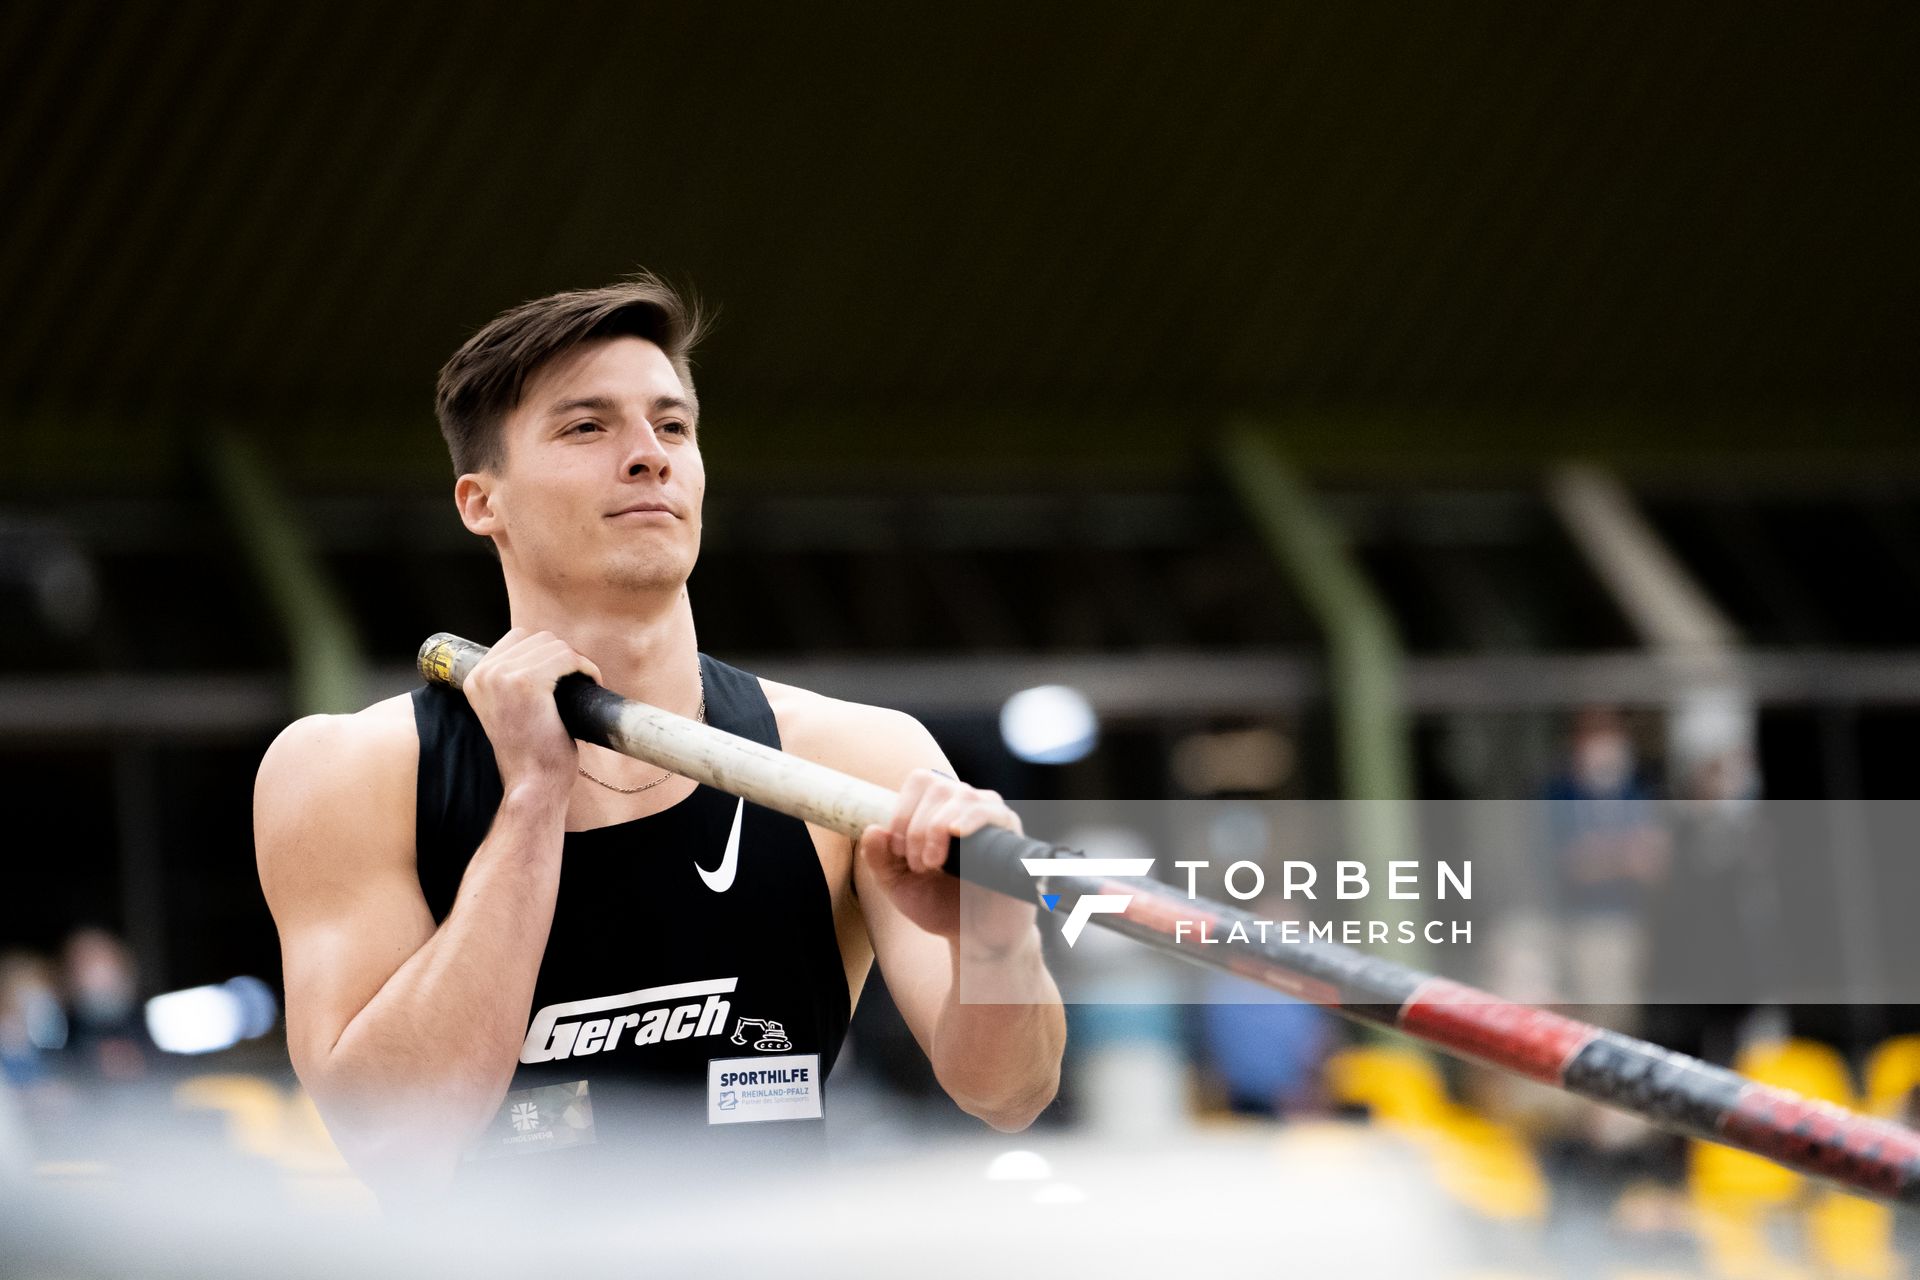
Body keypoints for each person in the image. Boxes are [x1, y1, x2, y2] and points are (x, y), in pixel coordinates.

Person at [253, 273, 1065, 1206]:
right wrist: (530, 799)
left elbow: (1009, 1094)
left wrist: (996, 933)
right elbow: (397, 1140)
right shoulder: (350, 772)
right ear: (483, 503)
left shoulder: (853, 758)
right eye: (586, 428)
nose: (648, 457)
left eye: (672, 426)